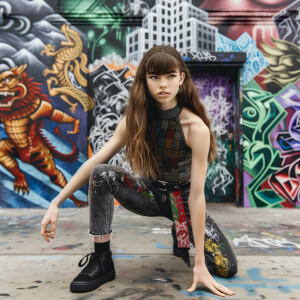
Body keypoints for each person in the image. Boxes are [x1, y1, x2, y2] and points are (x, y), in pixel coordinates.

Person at [41, 45, 237, 297]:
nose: (163, 84)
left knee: (226, 267)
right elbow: (96, 160)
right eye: (154, 77)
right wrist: (56, 201)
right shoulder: (136, 118)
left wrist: (199, 262)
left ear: (181, 78)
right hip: (149, 193)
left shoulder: (194, 127)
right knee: (103, 173)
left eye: (170, 76)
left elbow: (197, 196)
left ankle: (181, 232)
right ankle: (102, 260)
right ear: (144, 80)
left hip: (184, 201)